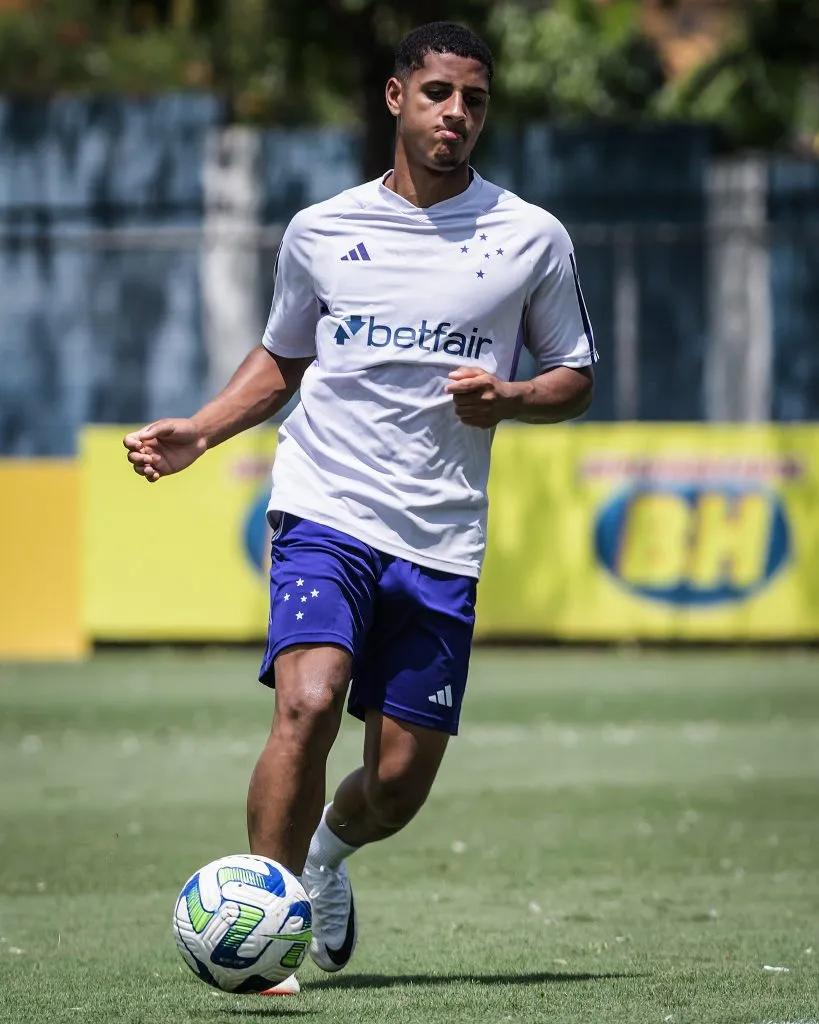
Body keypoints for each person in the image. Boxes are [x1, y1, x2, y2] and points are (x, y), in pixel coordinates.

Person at [124, 20, 597, 978]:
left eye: (473, 99)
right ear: (395, 98)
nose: (455, 113)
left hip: (440, 535)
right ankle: (267, 928)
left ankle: (332, 857)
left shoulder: (529, 237)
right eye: (437, 94)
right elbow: (284, 357)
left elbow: (575, 375)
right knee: (305, 700)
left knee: (393, 787)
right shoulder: (322, 229)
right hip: (324, 503)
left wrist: (507, 398)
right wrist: (203, 430)